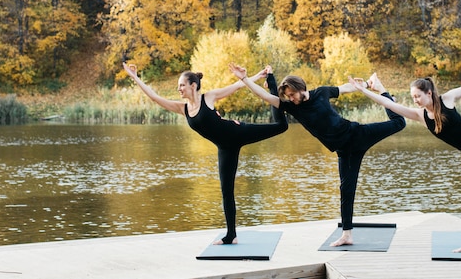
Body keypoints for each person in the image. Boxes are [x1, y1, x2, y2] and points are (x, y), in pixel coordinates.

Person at [349, 48, 461, 252]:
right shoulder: (421, 116)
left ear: (429, 93)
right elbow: (388, 104)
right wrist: (363, 90)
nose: (415, 100)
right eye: (413, 97)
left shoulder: (448, 99)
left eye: (417, 96)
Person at [230, 64, 406, 247]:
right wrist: (244, 78)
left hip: (357, 134)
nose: (290, 98)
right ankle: (347, 235)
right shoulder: (293, 108)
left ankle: (382, 90)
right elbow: (264, 95)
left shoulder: (321, 92)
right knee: (346, 190)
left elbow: (344, 88)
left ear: (301, 88)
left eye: (292, 94)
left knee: (399, 122)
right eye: (288, 96)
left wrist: (368, 85)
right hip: (344, 151)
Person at [122, 62, 288, 245]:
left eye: (182, 85)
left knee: (281, 126)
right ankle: (231, 235)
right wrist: (135, 77)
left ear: (193, 85)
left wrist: (260, 75)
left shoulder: (209, 97)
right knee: (227, 192)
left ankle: (273, 84)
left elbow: (237, 86)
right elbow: (155, 98)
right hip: (225, 148)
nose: (179, 89)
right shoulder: (183, 109)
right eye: (178, 86)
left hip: (238, 132)